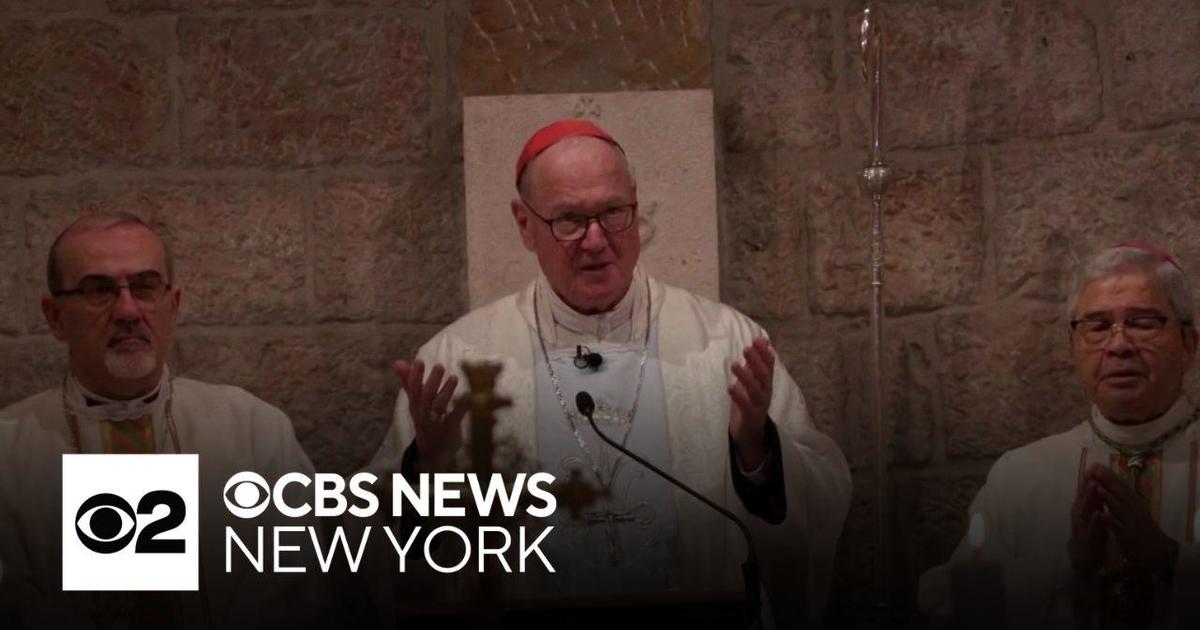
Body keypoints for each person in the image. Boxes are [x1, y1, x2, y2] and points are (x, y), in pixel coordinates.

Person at [362, 119, 852, 627]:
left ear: (636, 207)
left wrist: (757, 453)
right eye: (569, 220)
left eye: (613, 213)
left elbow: (820, 503)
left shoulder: (725, 344)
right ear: (524, 225)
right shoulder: (459, 359)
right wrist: (430, 470)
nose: (596, 240)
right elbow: (378, 551)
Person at [0, 212, 326, 628]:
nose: (128, 309)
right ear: (55, 317)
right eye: (98, 290)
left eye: (145, 286)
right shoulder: (8, 454)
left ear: (173, 305)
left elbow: (300, 591)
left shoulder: (255, 432)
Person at [920, 242, 1200, 628]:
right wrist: (1066, 566)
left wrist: (1170, 561)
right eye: (1098, 326)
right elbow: (947, 604)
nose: (1118, 345)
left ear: (1189, 345)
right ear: (1073, 347)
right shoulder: (1021, 475)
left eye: (1143, 322)